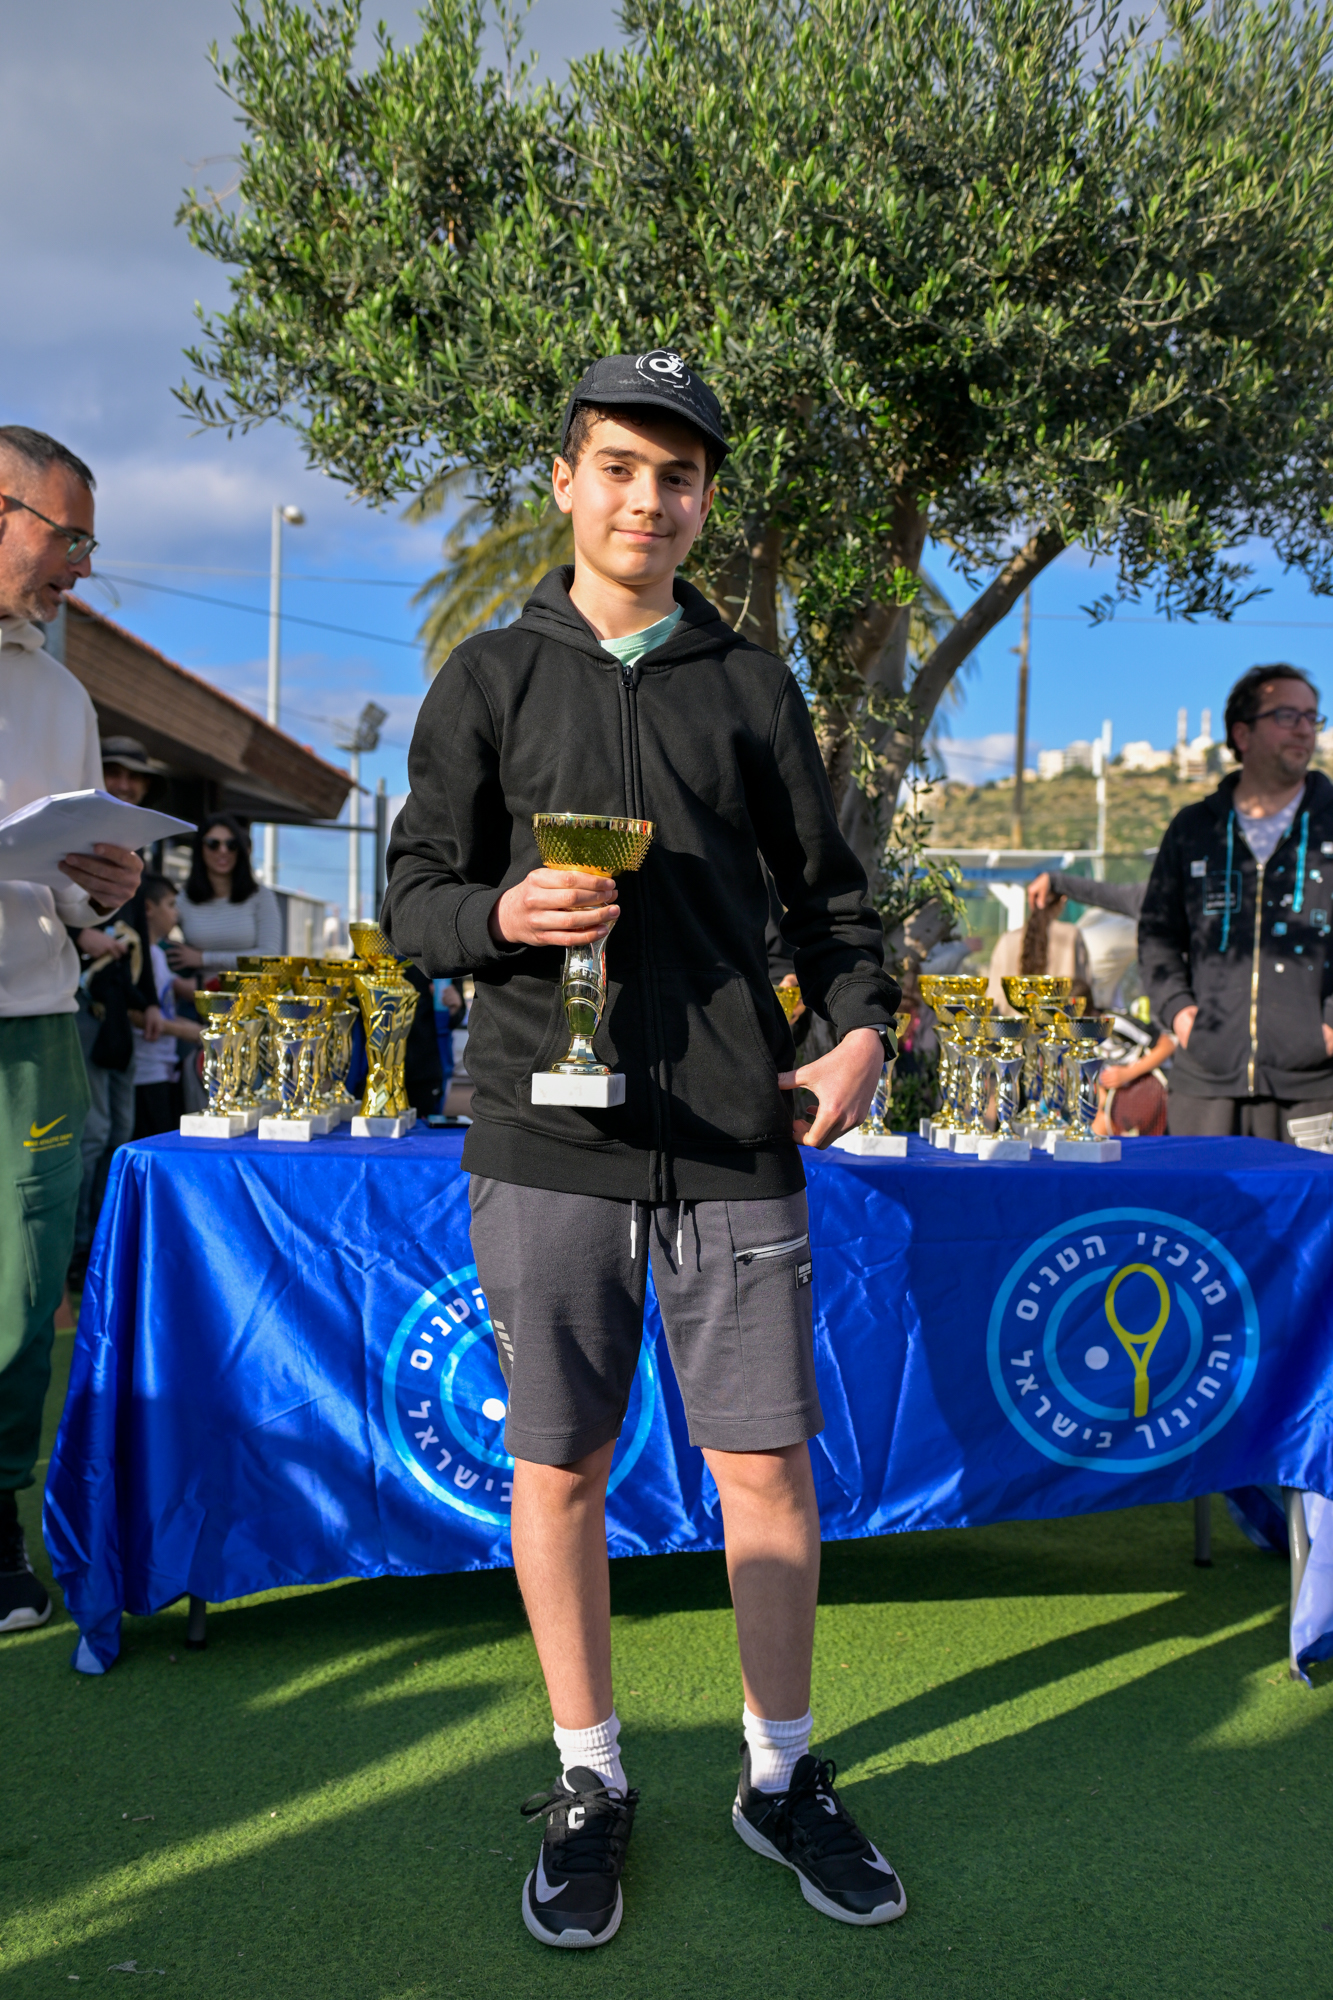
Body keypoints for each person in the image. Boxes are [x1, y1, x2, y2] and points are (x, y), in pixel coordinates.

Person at [386, 351, 905, 1945]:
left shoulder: (750, 685)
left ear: (703, 503)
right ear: (565, 481)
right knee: (559, 1465)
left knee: (766, 1469)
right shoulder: (489, 676)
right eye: (618, 466)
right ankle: (590, 1777)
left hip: (735, 1134)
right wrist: (502, 915)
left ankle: (779, 1772)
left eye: (677, 477)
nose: (647, 499)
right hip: (543, 1135)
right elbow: (413, 901)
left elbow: (831, 904)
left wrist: (862, 1029)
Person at [0, 426, 142, 1633]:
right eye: (69, 537)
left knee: (21, 1282)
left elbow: (77, 888)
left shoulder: (61, 693)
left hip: (36, 1019)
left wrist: (109, 885)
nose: (81, 568)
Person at [1139, 663, 1333, 1139]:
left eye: (1312, 716)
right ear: (1242, 733)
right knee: (1202, 1194)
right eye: (1287, 715)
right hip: (1204, 1086)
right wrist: (1179, 1012)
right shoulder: (1194, 829)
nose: (1304, 728)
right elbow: (1157, 933)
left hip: (1314, 1087)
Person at [167, 813, 282, 975]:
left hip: (250, 991)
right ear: (200, 848)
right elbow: (153, 935)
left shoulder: (261, 896)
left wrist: (204, 958)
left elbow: (269, 957)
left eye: (231, 844)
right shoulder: (183, 900)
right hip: (199, 990)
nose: (223, 850)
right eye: (213, 844)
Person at [131, 876, 201, 1138]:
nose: (176, 913)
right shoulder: (138, 955)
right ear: (149, 908)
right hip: (144, 1072)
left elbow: (165, 1012)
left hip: (164, 1069)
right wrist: (190, 1033)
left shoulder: (159, 955)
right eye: (171, 904)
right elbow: (135, 1014)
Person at [987, 890, 1093, 1013]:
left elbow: (994, 997)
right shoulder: (1071, 935)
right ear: (1063, 900)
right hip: (1059, 1021)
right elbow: (1084, 990)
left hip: (1012, 1023)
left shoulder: (1007, 940)